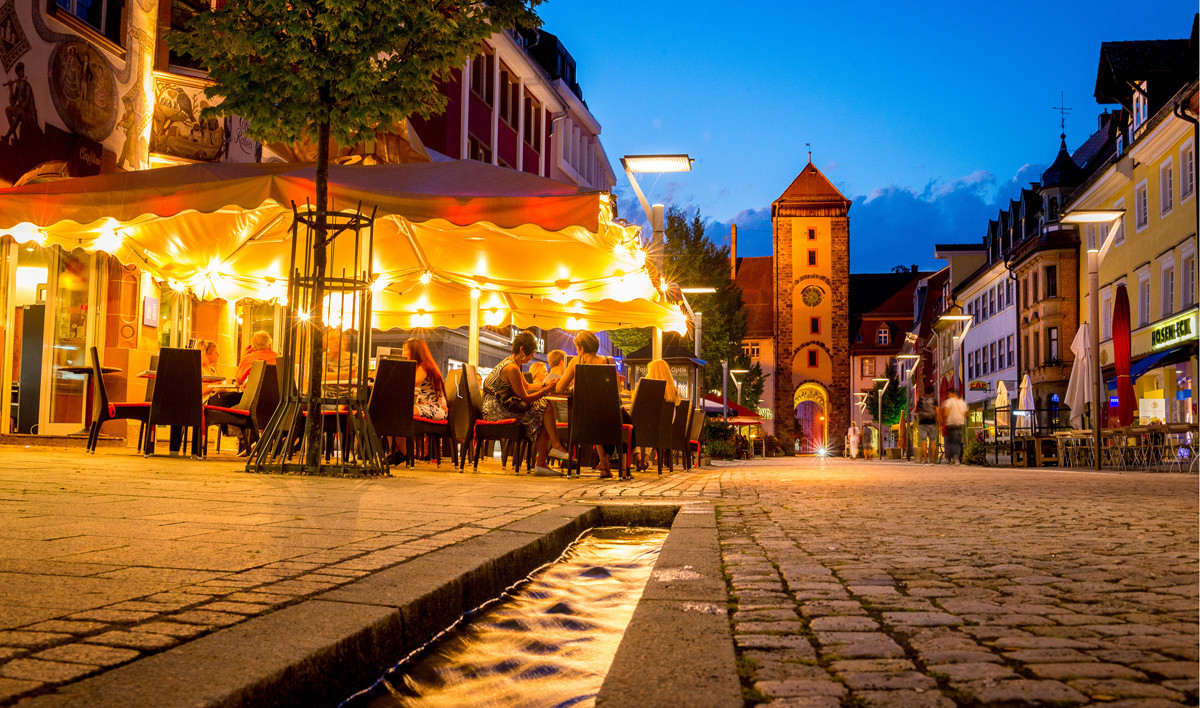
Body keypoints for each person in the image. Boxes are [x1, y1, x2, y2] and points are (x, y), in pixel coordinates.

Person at [482, 330, 569, 475]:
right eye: (531, 353)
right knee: (543, 409)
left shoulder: (513, 363)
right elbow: (526, 398)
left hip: (503, 405)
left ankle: (550, 453)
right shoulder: (511, 368)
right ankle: (547, 457)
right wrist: (547, 391)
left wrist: (545, 385)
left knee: (543, 409)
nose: (532, 356)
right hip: (495, 410)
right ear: (522, 349)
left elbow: (527, 387)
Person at [554, 330, 617, 477]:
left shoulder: (577, 362)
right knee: (601, 419)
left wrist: (574, 387)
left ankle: (604, 466)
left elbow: (559, 388)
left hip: (582, 417)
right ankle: (606, 466)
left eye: (577, 347)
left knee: (595, 419)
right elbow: (616, 389)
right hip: (607, 416)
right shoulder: (609, 361)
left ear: (581, 348)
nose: (577, 350)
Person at [406, 338, 447, 421]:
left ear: (414, 351)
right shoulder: (425, 365)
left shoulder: (423, 367)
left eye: (406, 350)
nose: (404, 353)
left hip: (434, 408)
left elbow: (411, 384)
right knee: (402, 410)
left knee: (403, 411)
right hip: (430, 407)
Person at [942, 391, 968, 464]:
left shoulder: (949, 401)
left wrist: (945, 419)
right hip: (960, 424)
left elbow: (946, 412)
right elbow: (966, 413)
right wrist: (960, 416)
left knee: (951, 441)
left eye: (949, 394)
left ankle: (952, 457)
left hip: (951, 423)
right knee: (958, 441)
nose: (948, 395)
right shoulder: (962, 402)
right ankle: (957, 457)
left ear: (952, 393)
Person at [915, 390, 938, 464]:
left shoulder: (920, 401)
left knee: (924, 442)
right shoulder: (934, 400)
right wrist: (939, 421)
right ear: (931, 393)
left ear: (924, 393)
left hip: (922, 423)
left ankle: (925, 460)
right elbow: (937, 411)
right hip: (932, 423)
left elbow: (915, 410)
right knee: (933, 442)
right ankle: (932, 460)